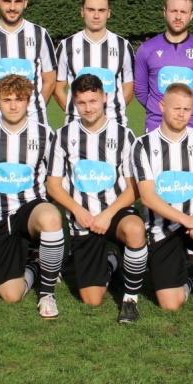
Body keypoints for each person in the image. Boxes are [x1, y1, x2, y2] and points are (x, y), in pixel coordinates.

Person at [47, 74, 150, 323]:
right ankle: (112, 260)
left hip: (115, 212)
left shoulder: (124, 136)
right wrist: (77, 210)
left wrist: (108, 213)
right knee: (92, 300)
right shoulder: (62, 136)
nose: (88, 108)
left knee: (135, 229)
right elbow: (53, 185)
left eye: (93, 100)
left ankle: (130, 300)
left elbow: (134, 188)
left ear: (104, 97)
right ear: (74, 103)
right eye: (81, 103)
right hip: (83, 218)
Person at [131, 83, 193, 319]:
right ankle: (191, 277)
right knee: (170, 305)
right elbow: (147, 197)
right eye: (176, 108)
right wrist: (186, 220)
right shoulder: (143, 145)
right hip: (161, 227)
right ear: (162, 106)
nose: (181, 114)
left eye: (187, 109)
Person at [0, 75, 66, 318]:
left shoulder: (45, 134)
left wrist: (45, 200)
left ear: (28, 101)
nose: (13, 105)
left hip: (30, 207)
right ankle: (36, 264)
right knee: (11, 295)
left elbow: (56, 176)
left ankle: (47, 294)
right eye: (7, 100)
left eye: (19, 99)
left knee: (51, 218)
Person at [134, 0, 193, 132]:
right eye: (173, 11)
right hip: (156, 125)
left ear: (192, 15)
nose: (178, 16)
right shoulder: (146, 49)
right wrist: (158, 110)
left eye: (183, 12)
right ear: (165, 12)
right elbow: (141, 90)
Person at [54, 0, 135, 126]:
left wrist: (112, 110)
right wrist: (76, 111)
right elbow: (58, 87)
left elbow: (128, 87)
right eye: (91, 10)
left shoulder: (123, 45)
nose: (96, 15)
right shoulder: (67, 45)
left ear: (108, 13)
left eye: (101, 10)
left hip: (115, 124)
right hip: (76, 125)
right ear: (82, 12)